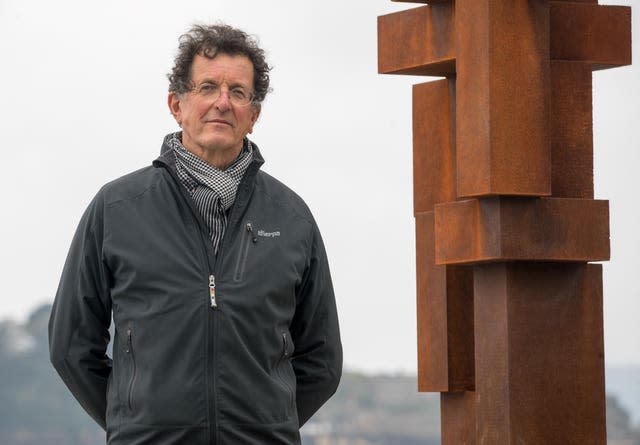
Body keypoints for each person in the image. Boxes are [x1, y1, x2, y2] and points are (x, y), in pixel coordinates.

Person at [48, 23, 342, 444]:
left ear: (254, 116)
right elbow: (70, 347)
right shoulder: (116, 209)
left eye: (238, 92)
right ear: (176, 104)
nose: (222, 103)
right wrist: (136, 423)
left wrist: (265, 427)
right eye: (208, 87)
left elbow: (324, 360)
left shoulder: (293, 217)